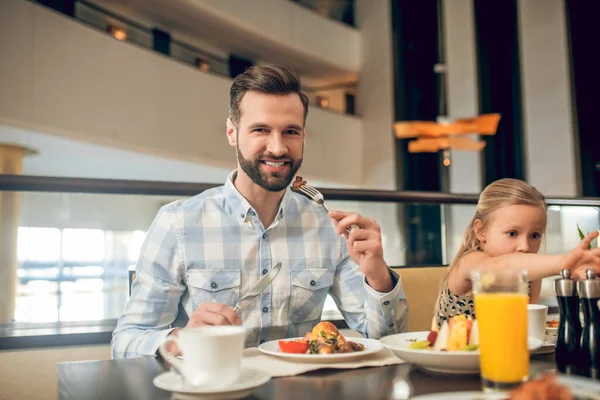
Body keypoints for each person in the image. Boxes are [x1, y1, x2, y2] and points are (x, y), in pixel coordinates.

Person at [111, 65, 408, 359]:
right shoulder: (177, 224)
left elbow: (387, 342)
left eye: (290, 131)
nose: (278, 148)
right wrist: (180, 340)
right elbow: (126, 343)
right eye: (261, 130)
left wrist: (378, 278)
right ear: (232, 132)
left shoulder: (329, 228)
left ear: (303, 137)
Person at [434, 178, 600, 328]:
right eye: (512, 233)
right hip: (454, 359)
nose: (525, 246)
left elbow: (523, 328)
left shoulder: (530, 275)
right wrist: (564, 263)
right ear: (481, 231)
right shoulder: (470, 262)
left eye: (534, 235)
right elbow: (499, 268)